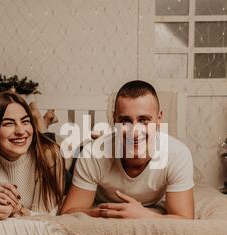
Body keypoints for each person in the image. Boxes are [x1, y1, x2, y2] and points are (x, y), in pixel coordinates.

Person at [60, 81, 195, 219]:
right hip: (93, 156)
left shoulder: (177, 154)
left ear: (159, 119)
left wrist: (146, 215)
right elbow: (68, 212)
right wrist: (105, 212)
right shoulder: (91, 154)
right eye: (125, 121)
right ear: (114, 119)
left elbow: (184, 219)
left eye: (144, 120)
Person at [0, 92, 66, 220]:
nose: (20, 131)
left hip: (61, 164)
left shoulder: (50, 154)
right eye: (8, 123)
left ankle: (41, 123)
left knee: (54, 145)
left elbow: (46, 216)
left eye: (26, 121)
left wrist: (18, 210)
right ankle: (42, 122)